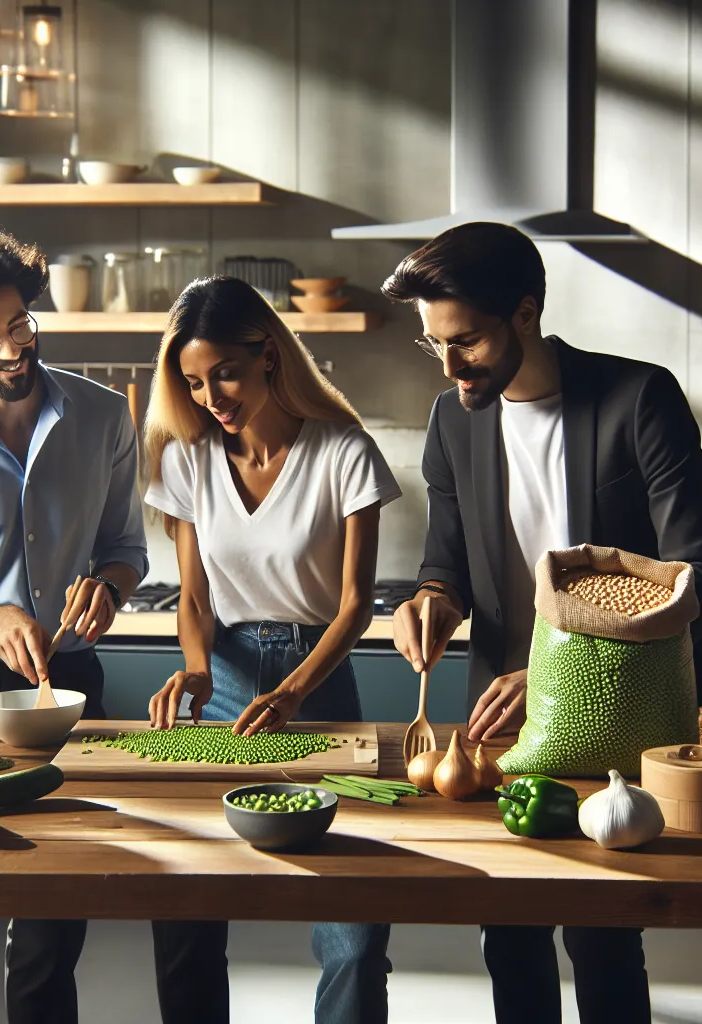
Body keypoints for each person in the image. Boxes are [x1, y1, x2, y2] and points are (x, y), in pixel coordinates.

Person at [385, 222, 702, 1023]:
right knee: (509, 933)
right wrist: (430, 604)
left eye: (465, 340)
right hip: (502, 725)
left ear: (525, 312)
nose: (449, 367)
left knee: (604, 934)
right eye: (432, 345)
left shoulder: (638, 398)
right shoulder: (452, 421)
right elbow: (447, 565)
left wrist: (553, 669)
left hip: (626, 715)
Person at [0, 228, 218, 1024]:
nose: (10, 348)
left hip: (73, 685)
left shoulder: (101, 417)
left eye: (19, 324)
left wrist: (108, 586)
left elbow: (127, 550)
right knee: (25, 897)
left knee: (58, 903)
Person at [142, 276, 402, 1024]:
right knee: (185, 905)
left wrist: (293, 690)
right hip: (219, 682)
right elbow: (193, 597)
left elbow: (355, 607)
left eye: (223, 371)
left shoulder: (342, 449)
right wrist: (193, 666)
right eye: (192, 381)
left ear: (267, 355)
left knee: (352, 926)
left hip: (318, 685)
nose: (209, 396)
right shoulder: (186, 457)